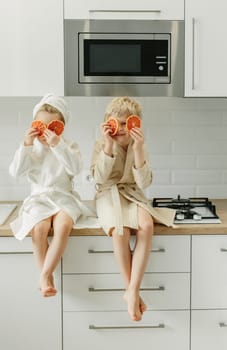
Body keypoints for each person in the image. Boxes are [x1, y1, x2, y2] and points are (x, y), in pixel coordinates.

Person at [90, 96, 175, 321]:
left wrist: (137, 149)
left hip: (133, 194)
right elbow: (99, 179)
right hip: (108, 194)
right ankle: (132, 290)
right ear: (107, 123)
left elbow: (145, 183)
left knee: (146, 225)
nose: (120, 129)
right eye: (115, 123)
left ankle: (132, 290)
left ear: (135, 125)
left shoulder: (140, 146)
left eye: (127, 124)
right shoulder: (101, 145)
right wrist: (108, 146)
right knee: (121, 231)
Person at [9, 94, 93, 297]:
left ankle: (44, 275)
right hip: (39, 199)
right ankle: (46, 276)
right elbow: (16, 172)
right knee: (39, 229)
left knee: (63, 226)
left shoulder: (68, 146)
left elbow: (75, 168)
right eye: (40, 126)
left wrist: (58, 145)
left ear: (61, 127)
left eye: (52, 127)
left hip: (64, 197)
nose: (45, 133)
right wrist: (26, 144)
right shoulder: (31, 148)